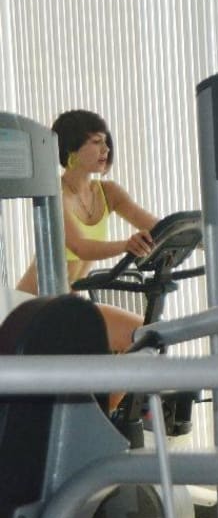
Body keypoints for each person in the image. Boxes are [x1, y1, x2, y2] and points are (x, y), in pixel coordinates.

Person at [16, 111, 158, 406]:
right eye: (95, 142)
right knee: (139, 337)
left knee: (147, 335)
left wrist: (204, 237)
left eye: (106, 142)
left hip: (70, 303)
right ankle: (101, 417)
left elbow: (153, 225)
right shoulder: (53, 192)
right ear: (71, 148)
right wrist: (126, 246)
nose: (105, 149)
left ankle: (104, 416)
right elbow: (80, 247)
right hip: (36, 305)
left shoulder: (108, 192)